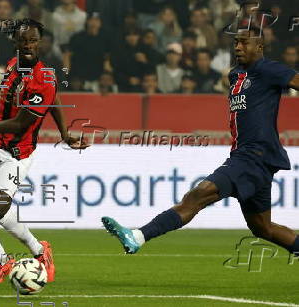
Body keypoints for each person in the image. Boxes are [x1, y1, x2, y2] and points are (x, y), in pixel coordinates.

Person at [101, 28, 299, 259]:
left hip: (254, 155)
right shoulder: (235, 75)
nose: (237, 47)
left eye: (244, 43)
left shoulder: (269, 69)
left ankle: (138, 236)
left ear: (259, 47)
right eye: (236, 42)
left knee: (197, 195)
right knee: (263, 228)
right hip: (248, 157)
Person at [0, 19, 88, 284]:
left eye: (33, 40)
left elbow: (21, 124)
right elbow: (56, 100)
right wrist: (65, 133)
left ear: (40, 42)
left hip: (18, 151)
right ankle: (1, 261)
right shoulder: (12, 65)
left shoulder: (43, 78)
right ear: (14, 41)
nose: (28, 45)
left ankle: (39, 249)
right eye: (23, 40)